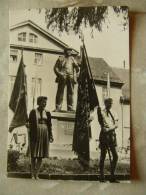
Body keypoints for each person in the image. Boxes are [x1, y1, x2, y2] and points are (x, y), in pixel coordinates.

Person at [28, 96, 54, 179]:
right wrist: (27, 124)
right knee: (34, 155)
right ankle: (32, 174)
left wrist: (50, 135)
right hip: (35, 134)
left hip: (44, 134)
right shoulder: (33, 112)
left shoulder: (48, 113)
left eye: (45, 102)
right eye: (43, 102)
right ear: (39, 102)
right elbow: (29, 122)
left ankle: (37, 174)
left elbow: (49, 125)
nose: (45, 104)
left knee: (41, 155)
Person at [97, 98, 119, 183]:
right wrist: (104, 129)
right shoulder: (101, 111)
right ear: (105, 103)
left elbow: (116, 125)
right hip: (103, 135)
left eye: (111, 103)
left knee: (115, 156)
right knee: (103, 156)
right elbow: (100, 122)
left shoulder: (114, 112)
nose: (110, 105)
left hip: (111, 135)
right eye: (109, 103)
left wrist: (109, 129)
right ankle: (102, 176)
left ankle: (112, 176)